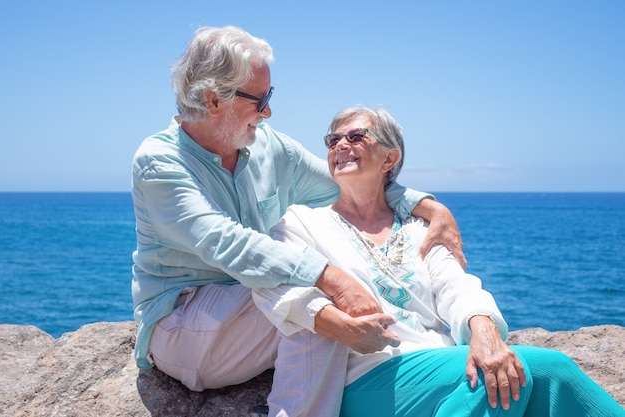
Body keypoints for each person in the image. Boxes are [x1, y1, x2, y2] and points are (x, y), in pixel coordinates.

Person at [130, 25, 466, 398]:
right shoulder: (159, 162)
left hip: (259, 302)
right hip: (184, 325)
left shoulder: (267, 146)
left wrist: (423, 204)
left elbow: (347, 183)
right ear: (213, 100)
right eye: (260, 99)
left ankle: (420, 376)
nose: (269, 111)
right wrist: (331, 277)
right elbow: (224, 243)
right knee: (318, 311)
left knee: (318, 305)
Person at [253, 105, 625, 417]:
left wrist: (483, 328)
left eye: (355, 137)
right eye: (333, 140)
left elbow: (456, 285)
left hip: (439, 365)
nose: (340, 146)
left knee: (525, 378)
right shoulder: (300, 222)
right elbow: (274, 283)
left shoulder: (419, 226)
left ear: (389, 158)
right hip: (365, 376)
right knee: (527, 371)